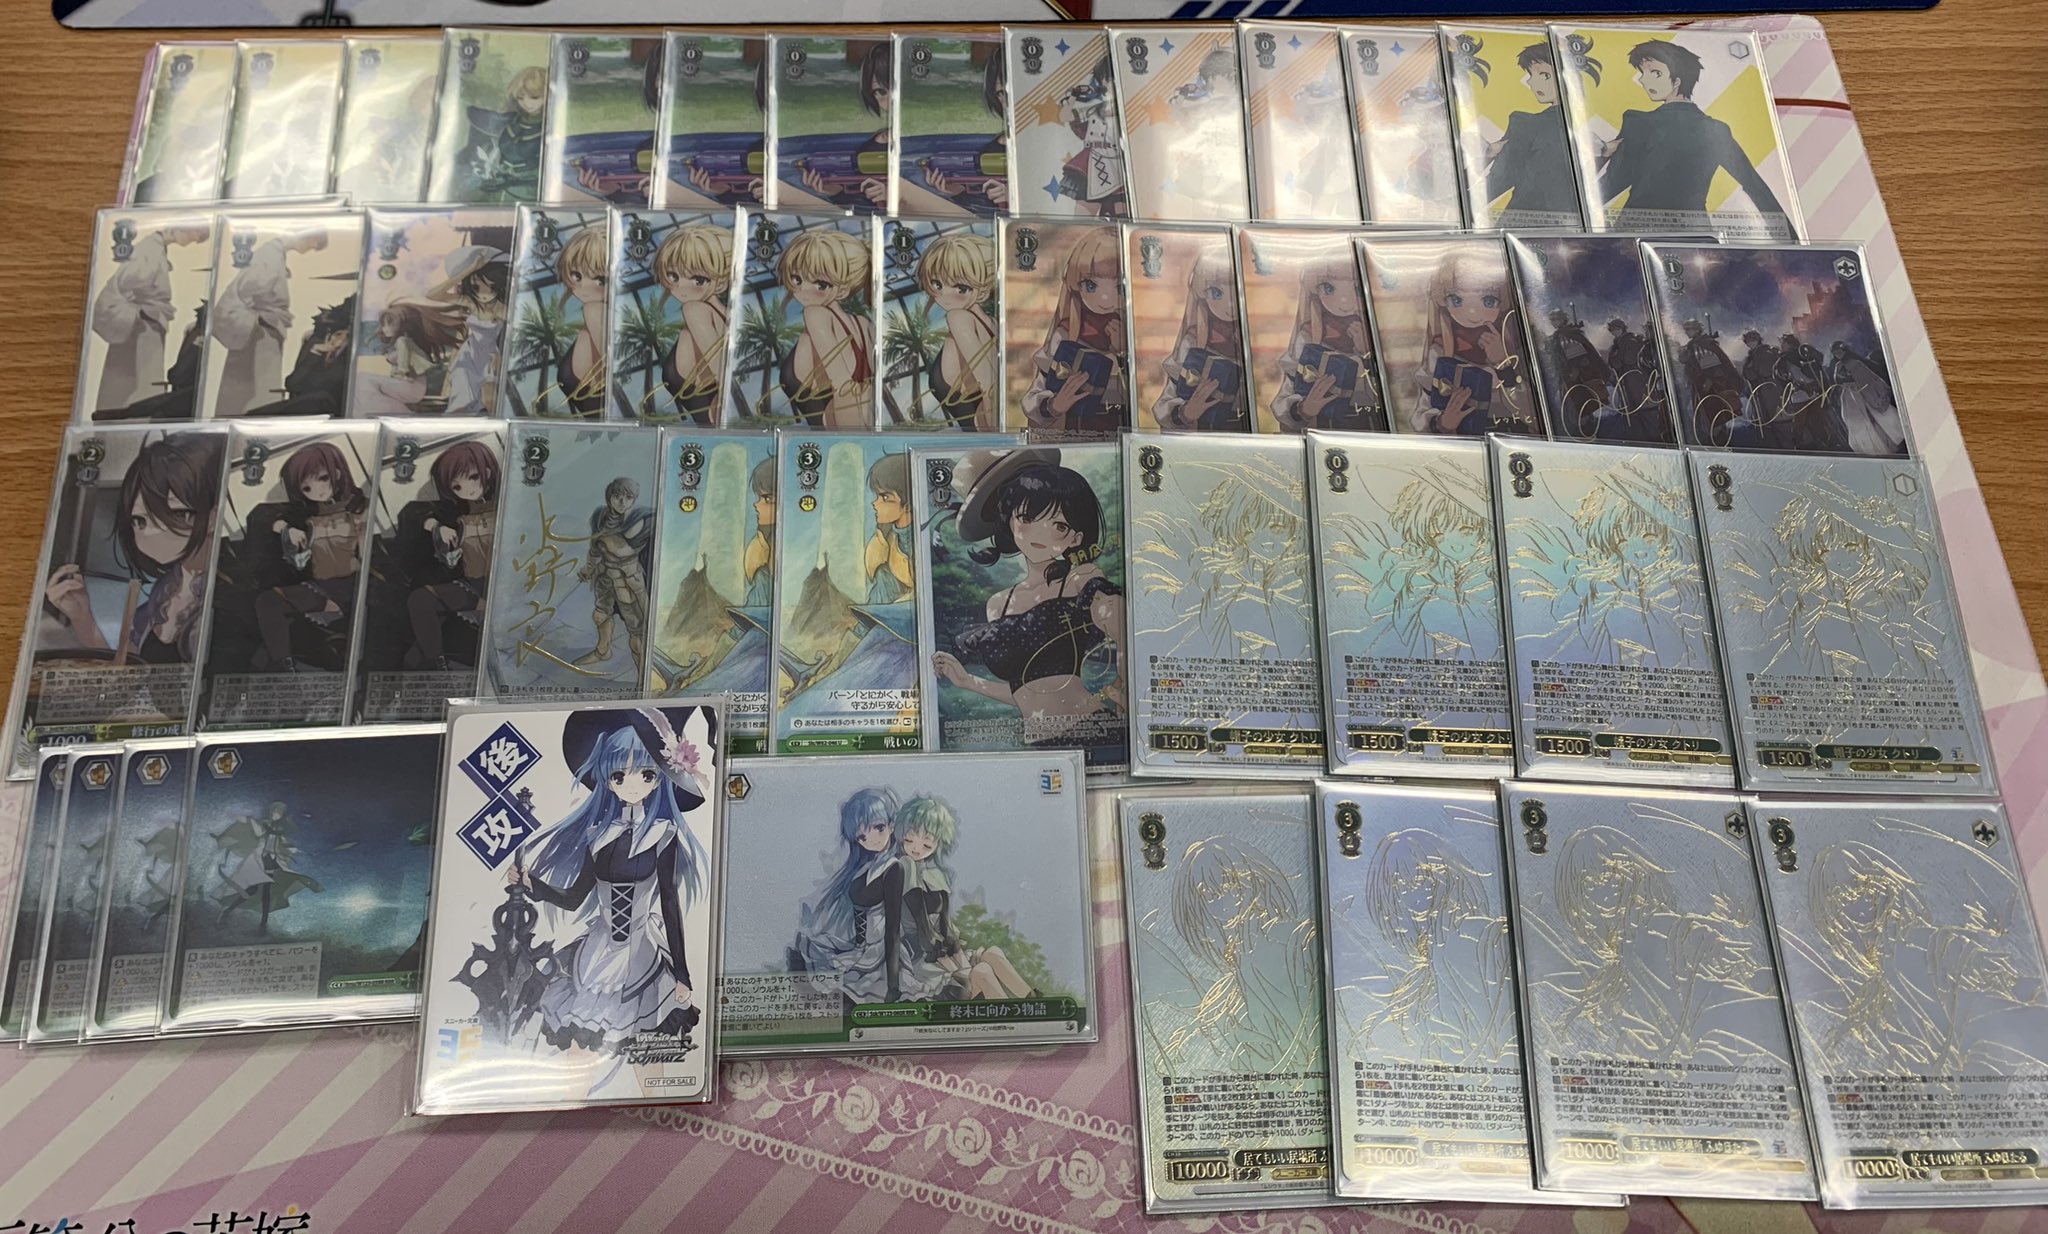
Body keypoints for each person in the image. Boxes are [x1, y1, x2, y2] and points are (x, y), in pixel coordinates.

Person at [509, 708, 712, 1055]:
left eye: (645, 773)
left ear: (659, 778)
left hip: (642, 954)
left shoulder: (663, 835)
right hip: (595, 956)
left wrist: (682, 973)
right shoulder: (597, 836)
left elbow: (669, 903)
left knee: (649, 1051)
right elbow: (574, 897)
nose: (631, 783)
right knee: (580, 1047)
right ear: (607, 779)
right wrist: (533, 885)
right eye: (619, 775)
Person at [932, 449, 1124, 748]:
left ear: (1075, 538)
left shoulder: (1080, 581)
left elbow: (1127, 634)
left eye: (1059, 525)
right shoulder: (998, 604)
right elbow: (1027, 692)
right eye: (1027, 518)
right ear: (1009, 522)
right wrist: (967, 681)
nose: (1040, 533)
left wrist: (1123, 686)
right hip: (1038, 745)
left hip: (1092, 731)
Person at [44, 431, 224, 665]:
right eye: (140, 521)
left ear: (213, 517)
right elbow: (133, 665)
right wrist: (82, 617)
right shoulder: (168, 586)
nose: (150, 533)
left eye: (175, 514)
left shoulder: (230, 594)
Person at [1598, 40, 1787, 228]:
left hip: (1636, 230)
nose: (1642, 80)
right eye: (1643, 73)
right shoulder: (1716, 129)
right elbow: (1754, 185)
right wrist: (1790, 238)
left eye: (1655, 73)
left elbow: (1610, 186)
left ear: (1677, 81)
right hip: (1696, 234)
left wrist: (1601, 154)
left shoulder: (1639, 123)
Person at [790, 787, 931, 1006]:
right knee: (804, 950)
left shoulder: (894, 868)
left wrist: (893, 986)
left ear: (891, 825)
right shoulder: (863, 867)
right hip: (859, 949)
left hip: (881, 954)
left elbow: (892, 930)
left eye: (879, 828)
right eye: (862, 836)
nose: (872, 840)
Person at [245, 441, 369, 672]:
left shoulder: (360, 510)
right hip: (318, 586)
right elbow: (262, 516)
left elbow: (367, 555)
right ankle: (283, 667)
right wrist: (285, 528)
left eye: (323, 478)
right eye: (307, 487)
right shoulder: (305, 512)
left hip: (352, 585)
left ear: (338, 473)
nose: (318, 490)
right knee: (267, 602)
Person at [896, 797, 1034, 999]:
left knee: (993, 954)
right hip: (923, 957)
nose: (917, 848)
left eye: (926, 843)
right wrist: (956, 963)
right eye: (910, 839)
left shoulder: (936, 875)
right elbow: (923, 930)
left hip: (948, 950)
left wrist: (957, 952)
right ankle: (1011, 1013)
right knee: (982, 971)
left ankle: (1034, 1002)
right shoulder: (904, 866)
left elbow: (945, 925)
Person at [89, 220, 212, 416]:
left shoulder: (155, 248)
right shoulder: (150, 250)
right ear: (184, 228)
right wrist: (143, 314)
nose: (191, 241)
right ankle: (123, 415)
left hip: (145, 322)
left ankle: (124, 415)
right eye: (193, 236)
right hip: (141, 325)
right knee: (138, 381)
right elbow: (127, 286)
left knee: (140, 382)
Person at [399, 440, 499, 671]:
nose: (468, 488)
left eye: (473, 477)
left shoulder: (512, 503)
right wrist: (436, 526)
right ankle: (437, 665)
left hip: (508, 588)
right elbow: (413, 514)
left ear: (488, 471)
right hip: (473, 586)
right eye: (457, 486)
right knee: (420, 599)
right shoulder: (458, 511)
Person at [209, 228, 328, 417]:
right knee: (257, 389)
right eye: (314, 244)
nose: (310, 249)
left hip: (262, 328)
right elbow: (246, 292)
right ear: (310, 237)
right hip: (260, 332)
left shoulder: (274, 254)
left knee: (255, 389)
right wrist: (259, 320)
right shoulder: (269, 256)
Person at [1412, 249, 1534, 435]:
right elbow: (1420, 418)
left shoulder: (1522, 346)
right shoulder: (1440, 351)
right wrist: (1443, 422)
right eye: (1457, 300)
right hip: (1465, 446)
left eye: (1488, 300)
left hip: (1517, 441)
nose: (1472, 313)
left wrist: (1503, 366)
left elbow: (1536, 416)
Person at [1021, 225, 1127, 435]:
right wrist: (1053, 406)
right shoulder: (1066, 334)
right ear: (1075, 284)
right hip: (1074, 433)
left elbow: (1144, 402)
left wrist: (1122, 355)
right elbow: (1034, 395)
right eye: (1091, 285)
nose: (1105, 299)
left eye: (1119, 288)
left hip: (1122, 434)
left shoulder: (1132, 334)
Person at [1271, 255, 1382, 431]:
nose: (1344, 300)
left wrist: (1366, 354)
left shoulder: (1377, 334)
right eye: (1329, 288)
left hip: (1371, 431)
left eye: (1356, 289)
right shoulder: (1307, 338)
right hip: (1321, 431)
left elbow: (1392, 398)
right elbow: (1284, 399)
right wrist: (1303, 409)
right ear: (1315, 291)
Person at [778, 227, 874, 428]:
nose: (803, 290)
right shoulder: (863, 324)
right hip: (861, 423)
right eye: (797, 279)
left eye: (820, 284)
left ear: (843, 289)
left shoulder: (815, 314)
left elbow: (843, 388)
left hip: (838, 428)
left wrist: (851, 439)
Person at [1477, 39, 1580, 220]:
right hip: (1565, 221)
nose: (1532, 82)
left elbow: (1500, 181)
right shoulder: (1579, 127)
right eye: (1531, 75)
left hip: (1524, 221)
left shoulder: (1527, 124)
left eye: (1545, 75)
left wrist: (1455, 205)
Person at [1151, 249, 1249, 432]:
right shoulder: (1193, 341)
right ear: (1201, 294)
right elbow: (1164, 405)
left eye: (1236, 292)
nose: (1229, 304)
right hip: (1200, 436)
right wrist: (1185, 413)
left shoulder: (1254, 341)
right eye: (1216, 292)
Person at [915, 232, 999, 430]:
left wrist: (996, 437)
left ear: (983, 290)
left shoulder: (958, 317)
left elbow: (989, 384)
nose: (945, 295)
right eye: (937, 284)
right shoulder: (992, 323)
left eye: (961, 288)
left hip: (983, 430)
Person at [653, 223, 734, 425]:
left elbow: (719, 367)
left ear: (721, 280)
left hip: (713, 415)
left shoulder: (694, 309)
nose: (682, 287)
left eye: (698, 279)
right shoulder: (726, 314)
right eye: (673, 276)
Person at [575, 477, 654, 671]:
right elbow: (595, 548)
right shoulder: (600, 516)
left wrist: (608, 540)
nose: (622, 501)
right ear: (609, 496)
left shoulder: (642, 520)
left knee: (637, 631)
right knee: (600, 615)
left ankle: (644, 675)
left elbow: (623, 551)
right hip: (605, 576)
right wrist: (589, 569)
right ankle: (603, 651)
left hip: (627, 581)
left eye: (628, 497)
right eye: (617, 496)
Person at [430, 245, 512, 415]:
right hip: (468, 355)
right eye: (476, 287)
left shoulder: (501, 309)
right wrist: (469, 270)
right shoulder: (471, 303)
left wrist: (503, 357)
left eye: (491, 287)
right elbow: (432, 295)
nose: (484, 294)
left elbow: (519, 328)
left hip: (489, 356)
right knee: (460, 401)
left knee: (490, 402)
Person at [459, 65, 547, 203]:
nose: (526, 103)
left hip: (528, 193)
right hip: (499, 185)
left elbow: (550, 172)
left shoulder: (548, 129)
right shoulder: (512, 121)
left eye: (534, 97)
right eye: (521, 97)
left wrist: (512, 181)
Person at [552, 223, 610, 418]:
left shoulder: (594, 310)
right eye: (576, 275)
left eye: (600, 280)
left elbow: (612, 367)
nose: (585, 286)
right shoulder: (595, 312)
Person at [863, 452, 915, 604]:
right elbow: (879, 598)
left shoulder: (928, 540)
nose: (875, 503)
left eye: (885, 497)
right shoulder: (884, 541)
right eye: (877, 496)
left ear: (908, 506)